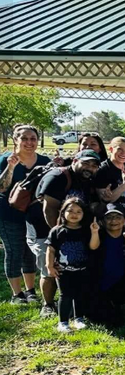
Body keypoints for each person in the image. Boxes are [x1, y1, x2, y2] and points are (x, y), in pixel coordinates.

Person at [26, 150, 100, 319]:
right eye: (86, 163)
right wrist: (59, 237)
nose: (90, 167)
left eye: (94, 165)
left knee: (69, 266)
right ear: (75, 160)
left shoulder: (86, 180)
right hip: (43, 228)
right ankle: (48, 304)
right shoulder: (58, 176)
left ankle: (71, 303)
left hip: (71, 230)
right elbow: (49, 209)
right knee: (50, 267)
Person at [0, 124, 50, 304]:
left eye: (33, 139)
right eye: (24, 138)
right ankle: (17, 294)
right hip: (9, 215)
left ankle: (30, 291)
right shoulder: (5, 159)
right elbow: (1, 187)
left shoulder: (44, 160)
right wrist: (11, 168)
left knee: (31, 253)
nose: (29, 142)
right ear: (15, 140)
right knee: (14, 251)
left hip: (34, 216)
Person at [46, 198, 100, 332]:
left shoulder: (86, 230)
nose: (74, 214)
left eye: (78, 211)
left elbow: (94, 247)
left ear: (83, 214)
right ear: (62, 212)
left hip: (82, 270)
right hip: (63, 271)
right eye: (70, 211)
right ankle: (63, 322)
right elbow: (51, 249)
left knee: (80, 294)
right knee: (65, 295)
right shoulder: (57, 231)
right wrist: (49, 266)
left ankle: (79, 319)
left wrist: (94, 232)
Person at [92, 203, 125, 326]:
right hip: (99, 286)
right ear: (102, 222)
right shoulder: (97, 237)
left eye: (118, 217)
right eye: (109, 217)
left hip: (121, 285)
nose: (113, 220)